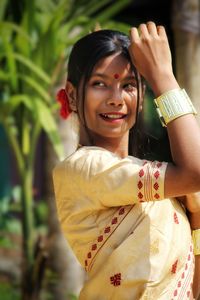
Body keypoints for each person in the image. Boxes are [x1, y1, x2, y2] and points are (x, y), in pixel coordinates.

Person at [53, 22, 200, 299]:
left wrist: (197, 219)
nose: (116, 99)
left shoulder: (158, 192)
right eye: (100, 84)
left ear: (141, 96)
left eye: (128, 85)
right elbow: (196, 173)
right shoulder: (81, 169)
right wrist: (164, 76)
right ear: (72, 95)